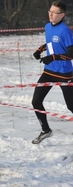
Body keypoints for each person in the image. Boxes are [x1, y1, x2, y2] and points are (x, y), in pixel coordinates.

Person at [31, 1, 73, 144]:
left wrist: (54, 57)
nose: (51, 14)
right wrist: (40, 50)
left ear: (62, 15)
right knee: (36, 101)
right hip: (49, 72)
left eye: (55, 12)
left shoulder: (65, 30)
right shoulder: (48, 27)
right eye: (50, 11)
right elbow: (51, 43)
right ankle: (46, 130)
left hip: (64, 74)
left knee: (71, 106)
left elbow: (71, 54)